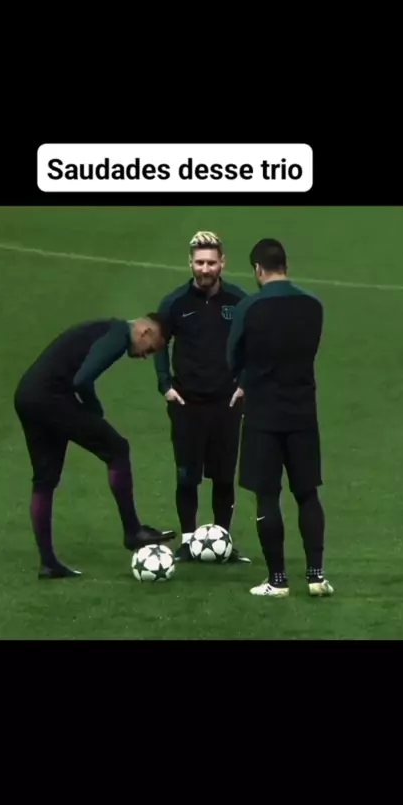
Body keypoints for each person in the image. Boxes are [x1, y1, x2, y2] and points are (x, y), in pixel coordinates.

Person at [14, 314, 176, 579]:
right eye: (150, 349)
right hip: (51, 397)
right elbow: (83, 379)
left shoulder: (102, 328)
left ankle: (48, 563)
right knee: (118, 450)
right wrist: (94, 411)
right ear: (145, 332)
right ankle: (133, 531)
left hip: (27, 395)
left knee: (44, 480)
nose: (145, 356)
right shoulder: (119, 334)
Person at [227, 238, 333, 597]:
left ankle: (277, 580)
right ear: (286, 265)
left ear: (258, 269)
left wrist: (249, 376)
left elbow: (233, 356)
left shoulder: (249, 307)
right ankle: (316, 576)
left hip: (263, 415)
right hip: (303, 412)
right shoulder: (313, 305)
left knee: (268, 496)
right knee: (307, 493)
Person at [154, 231, 251, 563]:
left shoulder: (239, 301)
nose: (205, 269)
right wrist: (165, 385)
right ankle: (187, 541)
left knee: (223, 476)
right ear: (190, 263)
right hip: (187, 403)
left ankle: (223, 541)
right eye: (199, 263)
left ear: (222, 262)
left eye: (211, 262)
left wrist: (245, 383)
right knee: (187, 475)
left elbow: (254, 342)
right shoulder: (175, 303)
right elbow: (158, 342)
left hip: (227, 402)